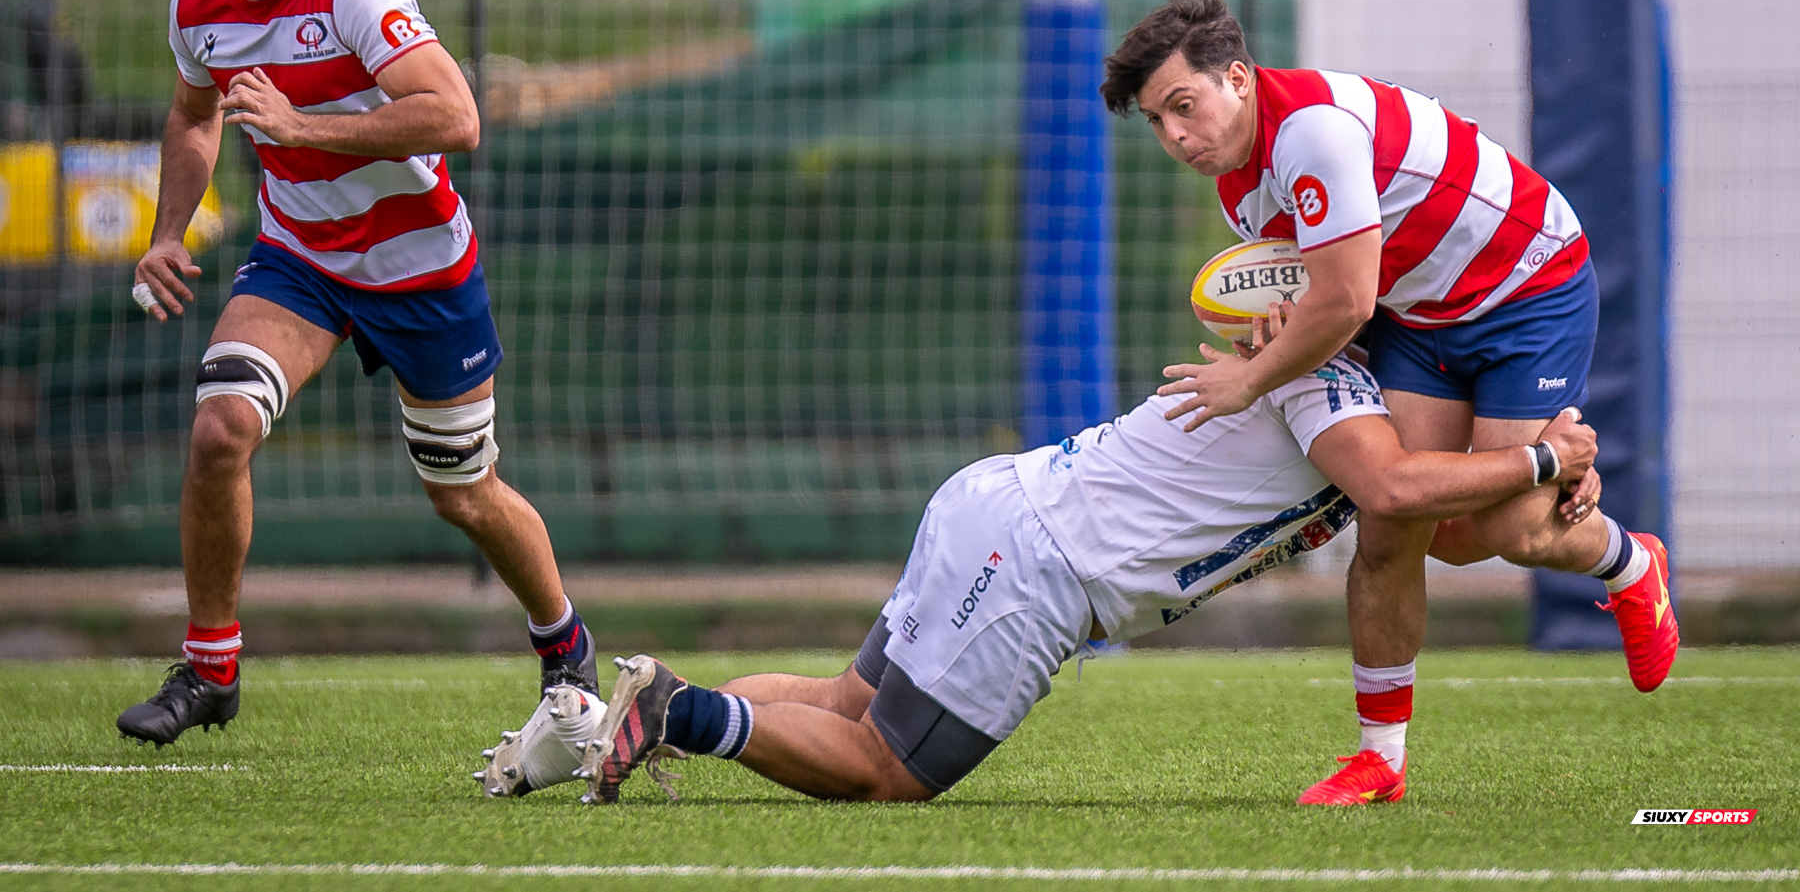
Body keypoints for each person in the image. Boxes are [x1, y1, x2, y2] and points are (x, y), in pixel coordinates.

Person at [472, 333, 1598, 806]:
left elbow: (1426, 500)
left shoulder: (1300, 370)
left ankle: (598, 720)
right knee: (884, 770)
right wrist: (1544, 455)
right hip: (1036, 568)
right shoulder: (1338, 391)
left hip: (994, 502)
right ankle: (675, 708)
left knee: (840, 700)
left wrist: (1543, 484)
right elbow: (1403, 491)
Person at [1096, 0, 1677, 805]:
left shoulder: (1312, 134)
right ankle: (1380, 759)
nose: (1176, 137)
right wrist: (1281, 338)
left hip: (1526, 287)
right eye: (1158, 122)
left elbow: (1344, 301)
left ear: (1237, 76)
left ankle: (1627, 559)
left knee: (1510, 527)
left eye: (1183, 107)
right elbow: (1341, 306)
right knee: (1404, 516)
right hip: (1416, 311)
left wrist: (1249, 378)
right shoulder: (1240, 182)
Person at [116, 0, 597, 746]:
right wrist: (166, 231)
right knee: (221, 427)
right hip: (301, 262)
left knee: (463, 491)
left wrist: (303, 129)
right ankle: (211, 668)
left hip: (422, 270)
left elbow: (457, 116)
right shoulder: (198, 10)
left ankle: (564, 642)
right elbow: (191, 116)